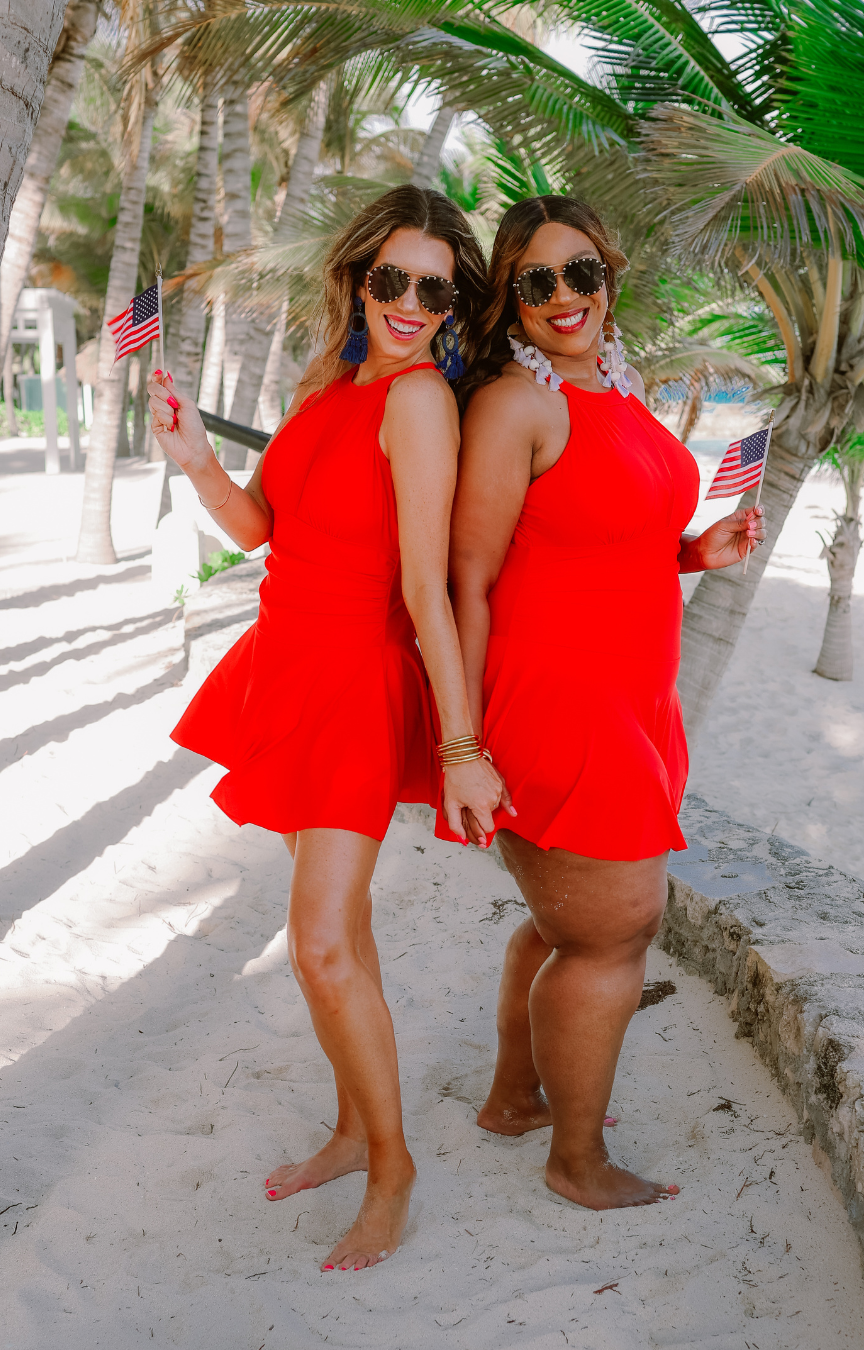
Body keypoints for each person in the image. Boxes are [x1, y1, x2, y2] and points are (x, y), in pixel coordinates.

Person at [147, 185, 508, 1270]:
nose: (406, 301)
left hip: (352, 681)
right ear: (355, 279)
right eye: (388, 277)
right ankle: (354, 1129)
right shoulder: (331, 382)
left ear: (454, 302)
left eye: (431, 286)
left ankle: (393, 1163)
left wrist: (460, 745)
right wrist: (197, 458)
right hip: (285, 665)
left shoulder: (418, 404)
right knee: (336, 943)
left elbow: (428, 588)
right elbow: (266, 528)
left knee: (315, 943)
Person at [445, 195, 766, 1211]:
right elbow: (470, 581)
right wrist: (465, 743)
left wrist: (688, 551)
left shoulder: (612, 385)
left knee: (562, 925)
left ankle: (513, 1099)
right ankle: (576, 1164)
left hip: (635, 704)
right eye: (536, 283)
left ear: (608, 273)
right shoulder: (516, 405)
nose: (564, 297)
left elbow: (588, 540)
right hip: (560, 707)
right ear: (509, 298)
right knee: (611, 933)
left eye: (580, 271)